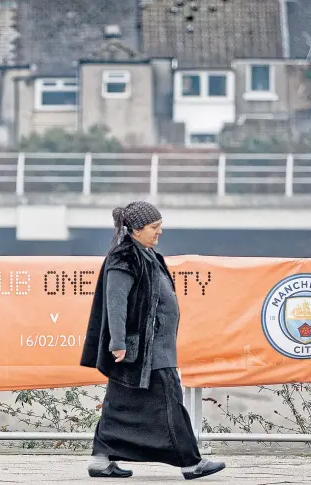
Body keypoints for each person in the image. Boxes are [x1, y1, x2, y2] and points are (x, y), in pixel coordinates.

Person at [80, 200, 226, 480]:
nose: (159, 232)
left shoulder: (146, 253)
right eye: (154, 227)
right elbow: (116, 300)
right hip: (143, 350)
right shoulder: (125, 256)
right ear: (136, 229)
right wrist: (118, 342)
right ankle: (190, 462)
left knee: (120, 402)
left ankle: (100, 460)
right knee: (171, 400)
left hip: (151, 347)